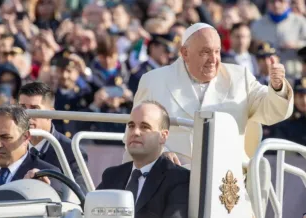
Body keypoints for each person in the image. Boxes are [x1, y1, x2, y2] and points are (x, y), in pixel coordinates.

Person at [123, 22, 294, 167]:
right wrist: (161, 154)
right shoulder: (154, 81)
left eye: (217, 51)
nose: (213, 59)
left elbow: (273, 111)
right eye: (205, 52)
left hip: (227, 182)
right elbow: (134, 134)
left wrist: (277, 87)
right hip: (170, 178)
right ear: (185, 53)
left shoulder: (240, 78)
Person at [97, 101, 190, 218]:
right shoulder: (112, 175)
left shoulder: (179, 179)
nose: (135, 132)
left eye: (145, 127)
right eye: (131, 126)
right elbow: (89, 217)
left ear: (163, 136)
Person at [17, 82, 88, 193]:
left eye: (34, 109)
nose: (27, 115)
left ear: (51, 114)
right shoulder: (10, 145)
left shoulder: (71, 152)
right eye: (22, 108)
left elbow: (80, 197)